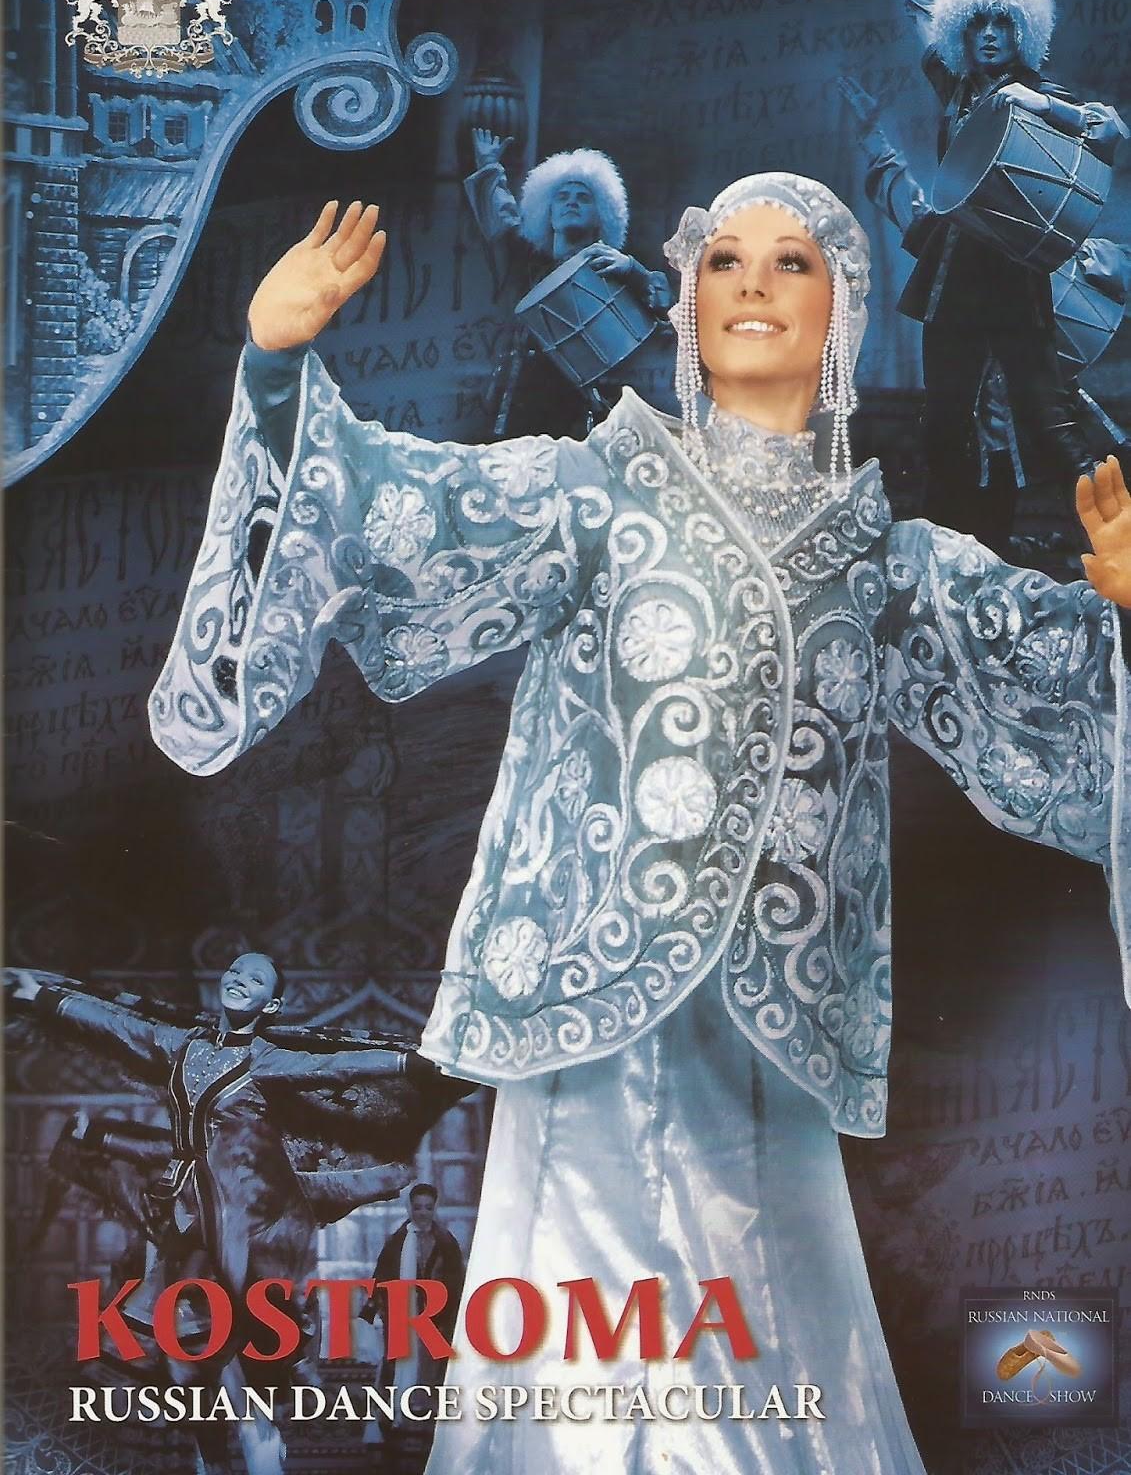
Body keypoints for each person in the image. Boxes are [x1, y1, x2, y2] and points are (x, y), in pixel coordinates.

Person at [149, 178, 1131, 1472]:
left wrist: (1119, 616)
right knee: (577, 1347)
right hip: (588, 1004)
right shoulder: (597, 496)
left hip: (774, 1026)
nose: (751, 282)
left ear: (841, 310)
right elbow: (392, 508)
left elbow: (1053, 690)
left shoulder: (881, 560)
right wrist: (278, 368)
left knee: (776, 1334)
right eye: (722, 259)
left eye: (790, 261)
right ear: (686, 304)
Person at [7, 953, 460, 1475]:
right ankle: (227, 1446)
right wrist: (40, 996)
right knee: (192, 1339)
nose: (240, 980)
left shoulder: (266, 1059)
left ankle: (256, 1432)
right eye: (236, 972)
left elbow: (334, 1064)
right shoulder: (182, 1044)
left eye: (255, 979)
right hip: (182, 1202)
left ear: (272, 1005)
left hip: (243, 1212)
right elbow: (118, 1024)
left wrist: (415, 1065)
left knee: (227, 1319)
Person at [877, 0, 1127, 542]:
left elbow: (1107, 132)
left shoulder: (1041, 92)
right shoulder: (956, 86)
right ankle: (955, 544)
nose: (989, 34)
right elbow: (925, 25)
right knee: (946, 415)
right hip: (954, 275)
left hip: (1015, 278)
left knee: (1047, 412)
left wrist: (1050, 108)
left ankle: (1119, 537)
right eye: (977, 23)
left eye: (1003, 23)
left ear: (1024, 31)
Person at [840, 72, 1131, 559]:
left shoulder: (1048, 227)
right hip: (979, 436)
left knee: (1085, 490)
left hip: (1040, 423)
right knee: (963, 522)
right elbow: (908, 206)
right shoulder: (956, 235)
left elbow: (1107, 130)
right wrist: (874, 137)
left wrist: (1045, 106)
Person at [464, 132, 671, 437]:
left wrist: (633, 271)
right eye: (562, 197)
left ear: (601, 215)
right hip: (522, 406)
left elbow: (664, 325)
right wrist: (489, 164)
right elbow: (503, 218)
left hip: (586, 417)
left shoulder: (615, 266)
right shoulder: (528, 263)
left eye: (583, 197)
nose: (571, 202)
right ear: (548, 213)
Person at [359, 1182, 465, 1444]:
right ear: (410, 1208)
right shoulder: (397, 1241)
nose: (423, 1213)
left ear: (434, 1208)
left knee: (430, 1372)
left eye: (428, 1207)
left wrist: (447, 1315)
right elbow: (381, 1275)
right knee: (395, 1367)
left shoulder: (446, 1242)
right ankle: (393, 1425)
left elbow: (455, 1282)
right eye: (418, 1207)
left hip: (434, 1320)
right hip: (400, 1317)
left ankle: (425, 1429)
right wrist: (371, 1311)